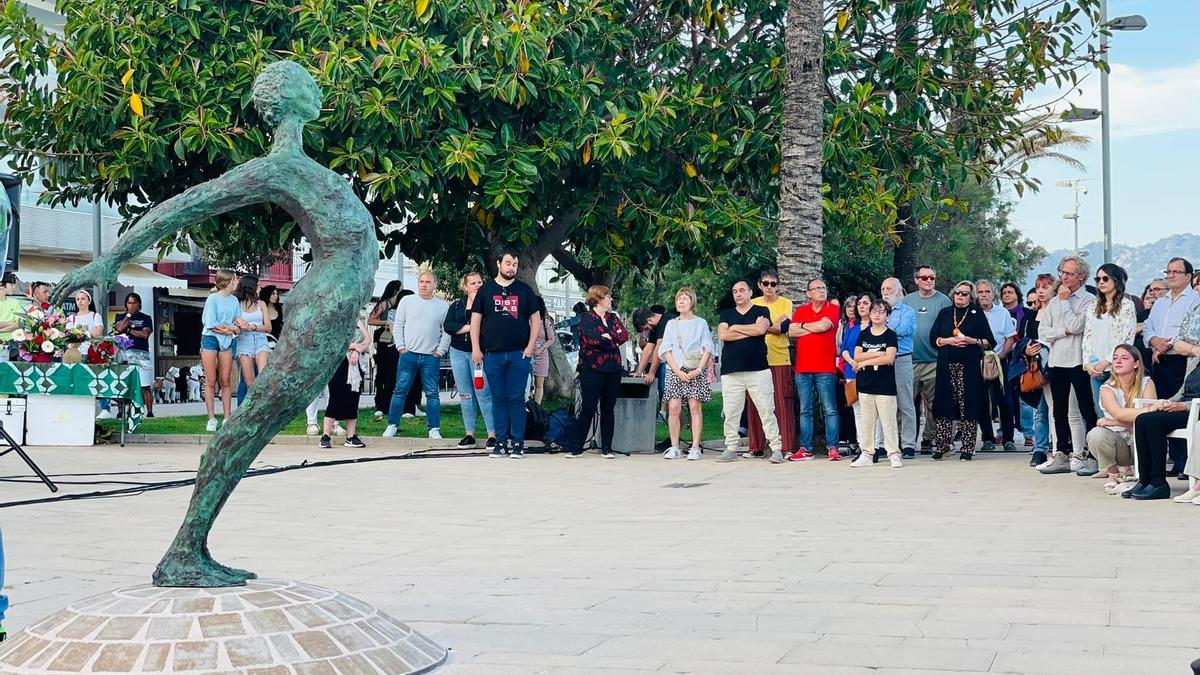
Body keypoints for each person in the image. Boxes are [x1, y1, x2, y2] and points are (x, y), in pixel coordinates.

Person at [470, 249, 541, 459]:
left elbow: (535, 319)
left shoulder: (524, 290)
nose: (512, 268)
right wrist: (476, 347)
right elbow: (475, 320)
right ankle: (500, 442)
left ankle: (518, 443)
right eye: (508, 263)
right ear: (499, 264)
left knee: (517, 398)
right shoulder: (486, 291)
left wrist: (530, 347)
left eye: (515, 264)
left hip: (519, 355)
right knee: (498, 399)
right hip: (492, 355)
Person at [1129, 304, 1200, 501]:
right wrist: (1168, 402)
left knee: (1153, 422)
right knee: (1143, 418)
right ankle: (1145, 479)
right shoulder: (1196, 361)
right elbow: (1183, 390)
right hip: (1184, 405)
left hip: (1195, 408)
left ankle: (1159, 483)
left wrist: (1182, 406)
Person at [1037, 255, 1099, 475]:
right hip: (1057, 361)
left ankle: (1092, 454)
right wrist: (1063, 331)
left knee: (1086, 409)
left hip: (1079, 361)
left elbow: (1077, 325)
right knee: (1059, 410)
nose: (1063, 276)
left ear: (1081, 276)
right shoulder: (1053, 302)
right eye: (1061, 272)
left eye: (1069, 273)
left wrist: (1064, 303)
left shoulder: (1088, 301)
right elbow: (1043, 332)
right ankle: (1061, 453)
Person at [714, 279, 783, 463]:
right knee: (731, 411)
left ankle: (776, 447)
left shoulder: (761, 311)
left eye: (742, 290)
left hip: (758, 369)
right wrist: (749, 329)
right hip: (731, 371)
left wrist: (736, 328)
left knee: (766, 409)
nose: (738, 294)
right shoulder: (726, 314)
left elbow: (761, 330)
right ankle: (730, 447)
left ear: (750, 292)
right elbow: (723, 335)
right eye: (735, 291)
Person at [1143, 257, 1199, 476]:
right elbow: (1148, 326)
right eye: (1168, 271)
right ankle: (1176, 459)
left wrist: (1165, 345)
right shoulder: (1162, 301)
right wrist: (1154, 341)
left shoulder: (1194, 300)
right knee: (1165, 404)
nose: (1171, 275)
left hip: (1182, 360)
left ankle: (1187, 462)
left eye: (1176, 271)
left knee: (1183, 406)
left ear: (1188, 276)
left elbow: (1189, 330)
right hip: (1160, 360)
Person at [928, 281, 993, 461]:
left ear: (971, 296)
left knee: (968, 406)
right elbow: (933, 338)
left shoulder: (976, 314)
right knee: (943, 405)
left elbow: (989, 341)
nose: (960, 296)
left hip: (969, 367)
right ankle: (942, 446)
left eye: (965, 294)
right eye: (958, 293)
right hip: (946, 366)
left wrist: (972, 341)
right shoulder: (945, 313)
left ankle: (967, 447)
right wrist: (948, 341)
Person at [384, 270, 450, 439]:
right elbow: (398, 325)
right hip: (409, 354)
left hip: (430, 357)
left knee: (432, 394)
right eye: (421, 281)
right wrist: (401, 347)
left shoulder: (443, 306)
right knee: (400, 391)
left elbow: (447, 331)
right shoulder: (407, 301)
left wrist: (439, 352)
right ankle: (392, 425)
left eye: (428, 282)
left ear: (434, 285)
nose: (424, 285)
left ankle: (433, 428)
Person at [566, 285, 629, 459]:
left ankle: (607, 447)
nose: (611, 300)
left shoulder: (613, 317)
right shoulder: (586, 318)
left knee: (608, 408)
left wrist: (610, 338)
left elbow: (624, 335)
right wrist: (611, 339)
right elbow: (593, 340)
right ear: (599, 298)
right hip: (592, 368)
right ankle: (577, 446)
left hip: (613, 368)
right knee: (588, 406)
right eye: (608, 296)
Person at [1085, 344, 1154, 494]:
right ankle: (1113, 474)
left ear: (1136, 363)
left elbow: (1150, 418)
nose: (1117, 362)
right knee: (1095, 434)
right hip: (1119, 442)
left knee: (1149, 430)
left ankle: (1144, 476)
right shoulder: (1106, 388)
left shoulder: (1147, 383)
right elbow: (1119, 413)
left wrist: (1112, 422)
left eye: (1124, 358)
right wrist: (1144, 412)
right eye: (1115, 358)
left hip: (1140, 440)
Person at [787, 277, 841, 461]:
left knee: (829, 409)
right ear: (808, 294)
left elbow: (825, 325)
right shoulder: (801, 310)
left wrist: (802, 327)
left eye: (823, 287)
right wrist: (810, 327)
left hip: (825, 368)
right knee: (805, 410)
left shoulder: (833, 309)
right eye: (816, 288)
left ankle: (833, 447)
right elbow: (791, 331)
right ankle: (805, 448)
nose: (821, 290)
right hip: (803, 369)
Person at [657, 287, 714, 460]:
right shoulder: (671, 324)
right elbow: (666, 349)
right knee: (674, 408)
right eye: (679, 298)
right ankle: (674, 446)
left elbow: (707, 348)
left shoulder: (701, 323)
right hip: (675, 369)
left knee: (695, 408)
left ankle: (695, 446)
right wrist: (675, 370)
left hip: (694, 369)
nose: (681, 301)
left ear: (692, 302)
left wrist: (698, 370)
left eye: (685, 298)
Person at [745, 271, 797, 459]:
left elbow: (783, 328)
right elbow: (750, 328)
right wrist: (770, 326)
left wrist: (760, 327)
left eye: (773, 284)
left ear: (778, 286)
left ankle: (786, 447)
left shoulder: (785, 303)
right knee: (754, 403)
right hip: (756, 359)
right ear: (759, 285)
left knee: (782, 403)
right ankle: (756, 447)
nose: (769, 287)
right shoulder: (754, 303)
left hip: (779, 358)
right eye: (765, 283)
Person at [900, 265, 952, 452]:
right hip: (909, 360)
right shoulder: (907, 301)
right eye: (924, 277)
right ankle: (905, 440)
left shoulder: (944, 301)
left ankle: (929, 438)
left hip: (934, 360)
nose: (929, 280)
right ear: (916, 280)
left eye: (932, 277)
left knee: (934, 404)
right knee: (905, 403)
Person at [444, 272, 496, 450]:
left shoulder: (488, 305)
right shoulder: (457, 305)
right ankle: (469, 434)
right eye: (473, 283)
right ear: (465, 287)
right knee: (465, 394)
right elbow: (448, 326)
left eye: (480, 282)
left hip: (478, 353)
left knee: (483, 393)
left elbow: (489, 328)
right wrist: (470, 327)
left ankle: (492, 434)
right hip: (458, 352)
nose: (477, 285)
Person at [850, 299, 903, 468]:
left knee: (888, 422)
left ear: (887, 315)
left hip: (885, 386)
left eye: (881, 311)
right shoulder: (864, 333)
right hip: (865, 384)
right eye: (874, 311)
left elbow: (889, 358)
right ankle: (866, 453)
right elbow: (857, 355)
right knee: (867, 421)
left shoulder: (890, 335)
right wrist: (879, 353)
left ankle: (894, 454)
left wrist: (866, 362)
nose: (877, 314)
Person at [1081, 264, 1136, 424]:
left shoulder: (1127, 306)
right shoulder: (1093, 306)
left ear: (1116, 280)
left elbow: (1127, 338)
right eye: (1098, 279)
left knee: (1120, 413)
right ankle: (1104, 448)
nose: (1101, 282)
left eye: (1105, 278)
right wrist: (1087, 364)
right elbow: (1087, 337)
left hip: (1117, 368)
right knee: (1101, 414)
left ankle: (1123, 447)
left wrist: (1108, 360)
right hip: (1095, 369)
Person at [975, 280, 1017, 452]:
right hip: (978, 362)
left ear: (993, 294)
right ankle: (987, 438)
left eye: (987, 291)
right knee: (983, 401)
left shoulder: (1003, 313)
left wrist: (1000, 356)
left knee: (1005, 401)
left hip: (1000, 360)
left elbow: (1010, 338)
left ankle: (1008, 439)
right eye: (980, 292)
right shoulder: (972, 313)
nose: (984, 295)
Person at [319, 316, 370, 450]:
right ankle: (325, 435)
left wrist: (358, 350)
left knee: (353, 398)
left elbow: (367, 338)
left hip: (356, 362)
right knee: (336, 397)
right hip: (339, 362)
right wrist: (353, 346)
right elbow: (331, 342)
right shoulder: (334, 321)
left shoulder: (356, 320)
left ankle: (351, 436)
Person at [1019, 274, 1055, 463]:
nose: (1041, 291)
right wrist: (1026, 347)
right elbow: (1021, 339)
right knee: (1040, 410)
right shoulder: (1030, 315)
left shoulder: (1059, 311)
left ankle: (1062, 447)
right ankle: (1040, 449)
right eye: (1038, 287)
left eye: (1045, 287)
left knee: (1060, 409)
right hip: (1036, 368)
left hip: (1057, 365)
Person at [880, 278, 918, 458]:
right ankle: (885, 444)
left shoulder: (907, 311)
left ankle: (909, 444)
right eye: (883, 289)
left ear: (898, 291)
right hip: (881, 361)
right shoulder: (877, 310)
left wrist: (884, 324)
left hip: (901, 360)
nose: (885, 292)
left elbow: (904, 329)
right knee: (884, 404)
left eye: (888, 289)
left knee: (905, 403)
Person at [200, 271, 241, 432]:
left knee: (225, 380)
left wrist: (233, 329)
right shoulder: (213, 299)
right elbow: (211, 323)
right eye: (235, 279)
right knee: (210, 380)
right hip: (210, 338)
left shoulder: (234, 300)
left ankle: (227, 417)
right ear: (229, 281)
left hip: (227, 340)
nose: (237, 282)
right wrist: (229, 329)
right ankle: (211, 418)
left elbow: (238, 322)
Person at [114, 292, 156, 418]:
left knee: (145, 384)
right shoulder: (120, 316)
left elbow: (145, 335)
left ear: (139, 304)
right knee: (122, 382)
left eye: (134, 303)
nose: (132, 305)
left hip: (141, 353)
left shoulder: (146, 318)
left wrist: (130, 330)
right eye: (129, 303)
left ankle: (149, 411)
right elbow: (120, 328)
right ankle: (120, 412)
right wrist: (128, 315)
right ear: (126, 304)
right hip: (124, 353)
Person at [234, 275, 272, 406]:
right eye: (258, 286)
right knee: (249, 381)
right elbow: (235, 324)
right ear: (251, 288)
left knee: (262, 377)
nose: (260, 288)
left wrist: (254, 327)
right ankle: (252, 408)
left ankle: (263, 407)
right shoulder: (237, 305)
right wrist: (241, 327)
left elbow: (268, 327)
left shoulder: (261, 304)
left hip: (260, 339)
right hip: (244, 341)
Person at [368, 281, 403, 423]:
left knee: (394, 374)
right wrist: (386, 323)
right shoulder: (384, 304)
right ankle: (380, 403)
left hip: (397, 341)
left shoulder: (401, 304)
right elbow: (371, 320)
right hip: (385, 340)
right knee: (383, 373)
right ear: (395, 291)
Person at [837, 294, 868, 456]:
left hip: (869, 371)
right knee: (857, 410)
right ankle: (863, 446)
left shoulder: (871, 325)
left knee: (871, 410)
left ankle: (875, 445)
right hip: (851, 371)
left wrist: (861, 362)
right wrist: (852, 362)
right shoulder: (851, 325)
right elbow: (844, 349)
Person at [530, 296, 556, 404]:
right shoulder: (526, 321)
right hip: (528, 355)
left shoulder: (545, 322)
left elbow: (551, 339)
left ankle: (537, 408)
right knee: (528, 385)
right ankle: (528, 407)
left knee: (539, 384)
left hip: (541, 356)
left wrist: (541, 349)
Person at [65, 288, 104, 357]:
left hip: (93, 353)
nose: (80, 301)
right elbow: (68, 336)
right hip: (76, 354)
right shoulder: (71, 318)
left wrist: (78, 334)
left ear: (89, 301)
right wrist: (89, 333)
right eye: (78, 299)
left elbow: (98, 333)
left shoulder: (95, 316)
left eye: (83, 299)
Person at [0, 273, 24, 355]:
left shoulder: (15, 302)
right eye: (11, 284)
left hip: (12, 343)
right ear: (1, 285)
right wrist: (11, 323)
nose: (14, 287)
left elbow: (18, 324)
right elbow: (14, 323)